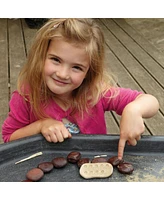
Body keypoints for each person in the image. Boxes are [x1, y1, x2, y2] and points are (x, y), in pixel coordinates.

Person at [2, 18, 159, 160]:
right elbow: (9, 138)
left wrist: (134, 110)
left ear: (88, 72)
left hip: (93, 163)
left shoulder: (96, 92)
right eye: (56, 60)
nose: (62, 74)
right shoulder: (27, 95)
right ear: (41, 56)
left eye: (76, 67)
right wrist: (40, 126)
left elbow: (151, 101)